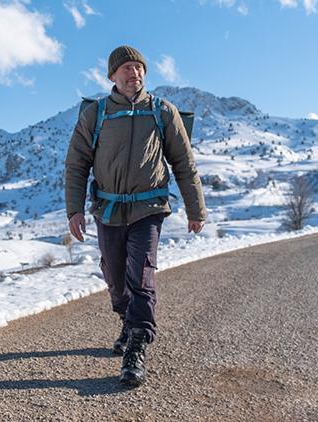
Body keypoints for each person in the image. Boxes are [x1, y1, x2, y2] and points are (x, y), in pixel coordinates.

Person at [64, 45, 206, 386]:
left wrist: (195, 208)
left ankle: (138, 345)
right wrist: (74, 209)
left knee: (141, 272)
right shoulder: (95, 114)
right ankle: (127, 319)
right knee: (115, 276)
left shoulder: (162, 111)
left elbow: (184, 163)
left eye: (139, 67)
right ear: (112, 75)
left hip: (149, 208)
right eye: (127, 68)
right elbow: (77, 164)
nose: (134, 73)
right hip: (108, 209)